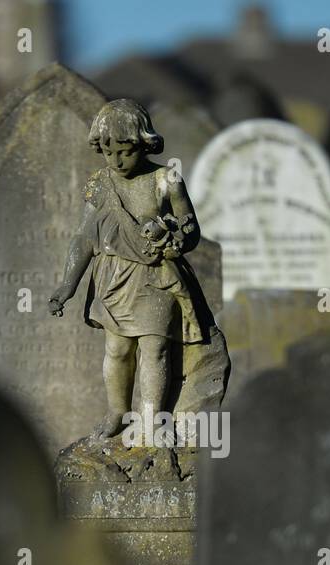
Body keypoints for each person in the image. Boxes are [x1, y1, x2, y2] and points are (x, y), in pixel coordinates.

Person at [49, 99, 212, 440]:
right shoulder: (99, 184)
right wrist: (68, 284)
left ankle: (152, 422)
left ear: (144, 143)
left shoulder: (166, 179)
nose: (116, 161)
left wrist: (175, 237)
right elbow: (84, 238)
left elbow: (191, 228)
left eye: (125, 151)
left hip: (155, 276)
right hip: (113, 278)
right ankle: (118, 412)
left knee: (155, 349)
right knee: (118, 350)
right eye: (108, 153)